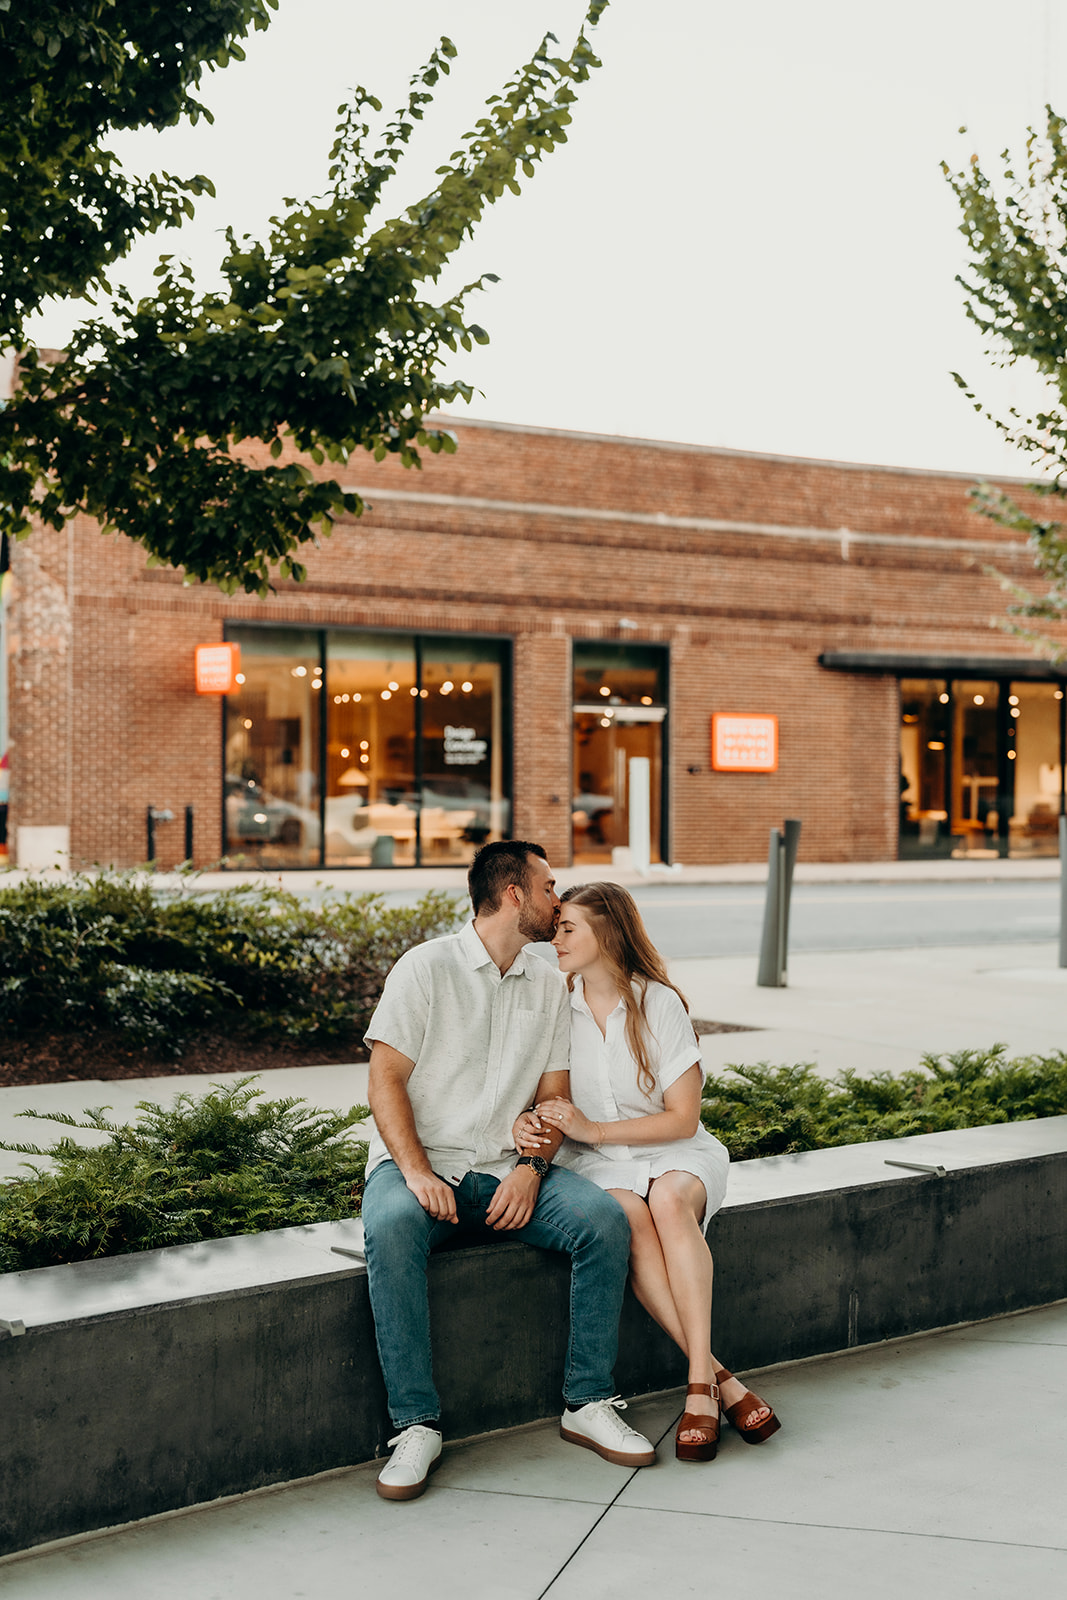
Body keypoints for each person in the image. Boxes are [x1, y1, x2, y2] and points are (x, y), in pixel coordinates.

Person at [361, 842, 657, 1502]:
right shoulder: (425, 969)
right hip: (422, 1165)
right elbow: (384, 1080)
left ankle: (586, 1402)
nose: (560, 899)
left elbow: (554, 1098)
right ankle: (414, 1427)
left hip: (504, 1169)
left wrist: (529, 1169)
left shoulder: (550, 983)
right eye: (550, 886)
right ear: (515, 894)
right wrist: (414, 1172)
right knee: (389, 1229)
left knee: (603, 1222)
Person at [516, 882, 780, 1462]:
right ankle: (717, 1381)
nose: (553, 940)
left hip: (672, 1151)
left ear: (606, 933)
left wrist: (596, 1130)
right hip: (598, 1162)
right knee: (629, 1216)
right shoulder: (556, 1007)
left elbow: (683, 1120)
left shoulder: (657, 1002)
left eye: (568, 929)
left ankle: (697, 1388)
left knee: (666, 1202)